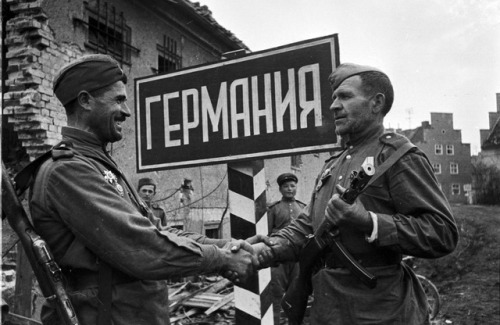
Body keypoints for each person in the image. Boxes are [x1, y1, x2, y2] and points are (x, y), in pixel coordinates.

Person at [27, 54, 260, 325]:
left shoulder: (96, 164)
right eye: (118, 100)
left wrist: (224, 245)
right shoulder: (68, 171)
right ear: (85, 101)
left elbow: (156, 230)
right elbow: (142, 247)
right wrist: (220, 259)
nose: (126, 111)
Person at [253, 63, 459, 324]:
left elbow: (442, 232)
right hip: (328, 311)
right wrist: (268, 248)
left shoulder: (397, 157)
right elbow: (306, 227)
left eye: (346, 96)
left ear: (376, 103)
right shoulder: (332, 165)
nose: (334, 106)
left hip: (380, 311)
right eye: (334, 98)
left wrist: (369, 221)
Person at [267, 173, 306, 325]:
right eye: (285, 186)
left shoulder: (303, 208)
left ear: (296, 187)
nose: (289, 189)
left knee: (296, 294)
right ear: (280, 189)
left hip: (297, 258)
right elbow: (267, 234)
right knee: (275, 293)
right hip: (279, 259)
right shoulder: (274, 209)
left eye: (292, 186)